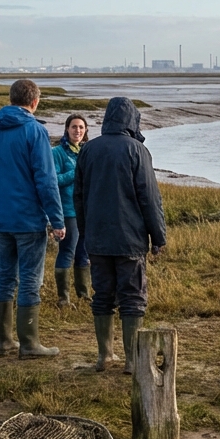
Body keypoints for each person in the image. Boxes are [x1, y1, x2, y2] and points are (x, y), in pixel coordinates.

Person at [73, 97, 167, 373]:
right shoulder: (137, 150)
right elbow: (150, 198)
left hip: (97, 238)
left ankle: (105, 356)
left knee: (102, 295)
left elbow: (78, 196)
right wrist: (158, 237)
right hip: (130, 239)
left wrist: (86, 230)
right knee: (133, 297)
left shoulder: (88, 150)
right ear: (132, 120)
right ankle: (131, 360)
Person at [0, 79, 65, 358]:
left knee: (4, 276)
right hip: (27, 218)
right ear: (35, 102)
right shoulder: (35, 131)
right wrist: (57, 219)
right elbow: (46, 179)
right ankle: (29, 343)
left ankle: (5, 341)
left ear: (11, 98)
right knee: (28, 279)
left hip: (0, 218)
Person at [51, 114, 91, 307]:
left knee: (84, 251)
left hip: (86, 210)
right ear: (67, 129)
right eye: (74, 127)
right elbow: (54, 180)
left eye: (81, 127)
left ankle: (84, 294)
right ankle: (63, 298)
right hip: (67, 210)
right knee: (68, 250)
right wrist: (76, 172)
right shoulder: (57, 153)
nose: (78, 131)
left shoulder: (87, 151)